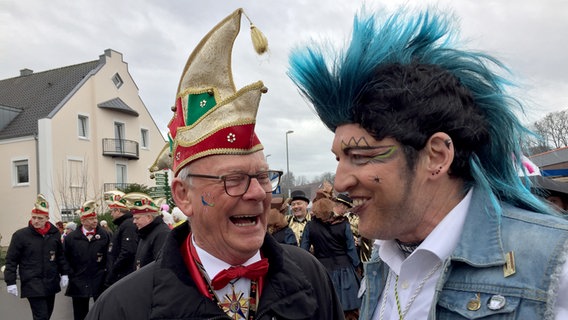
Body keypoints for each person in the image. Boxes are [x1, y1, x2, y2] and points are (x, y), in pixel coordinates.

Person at [289, 6, 568, 319]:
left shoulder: (554, 264)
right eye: (339, 159)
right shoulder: (383, 259)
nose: (340, 182)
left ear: (436, 156)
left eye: (360, 156)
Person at [86, 8, 343, 320]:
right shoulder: (123, 308)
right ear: (182, 195)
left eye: (262, 176)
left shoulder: (309, 275)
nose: (258, 193)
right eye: (233, 179)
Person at [4, 194, 70, 320]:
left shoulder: (54, 233)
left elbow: (60, 255)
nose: (36, 221)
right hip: (32, 282)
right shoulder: (20, 236)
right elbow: (11, 260)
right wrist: (10, 281)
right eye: (34, 217)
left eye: (40, 218)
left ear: (47, 218)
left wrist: (64, 273)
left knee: (47, 314)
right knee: (41, 316)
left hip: (50, 281)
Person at [300, 196, 361, 319]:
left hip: (322, 272)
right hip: (345, 270)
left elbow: (303, 252)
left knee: (326, 309)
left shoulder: (310, 226)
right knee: (350, 311)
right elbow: (351, 249)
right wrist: (356, 266)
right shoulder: (343, 224)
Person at [64, 200, 111, 320]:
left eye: (95, 218)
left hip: (99, 279)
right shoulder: (71, 238)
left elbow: (110, 256)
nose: (95, 221)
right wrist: (69, 273)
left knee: (101, 312)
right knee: (80, 313)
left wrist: (107, 274)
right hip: (79, 279)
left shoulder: (105, 235)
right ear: (83, 220)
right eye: (91, 219)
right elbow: (64, 257)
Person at [124, 192, 171, 270]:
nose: (134, 221)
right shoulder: (145, 233)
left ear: (149, 217)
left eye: (137, 218)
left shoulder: (162, 234)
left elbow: (161, 267)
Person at [103, 190, 138, 288]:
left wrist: (114, 268)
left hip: (122, 275)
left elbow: (127, 251)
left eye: (112, 211)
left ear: (118, 211)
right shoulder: (123, 224)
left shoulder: (127, 225)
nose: (111, 215)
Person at [333, 193, 373, 265]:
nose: (347, 210)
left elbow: (367, 236)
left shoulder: (360, 217)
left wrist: (359, 241)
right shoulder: (335, 218)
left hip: (355, 252)